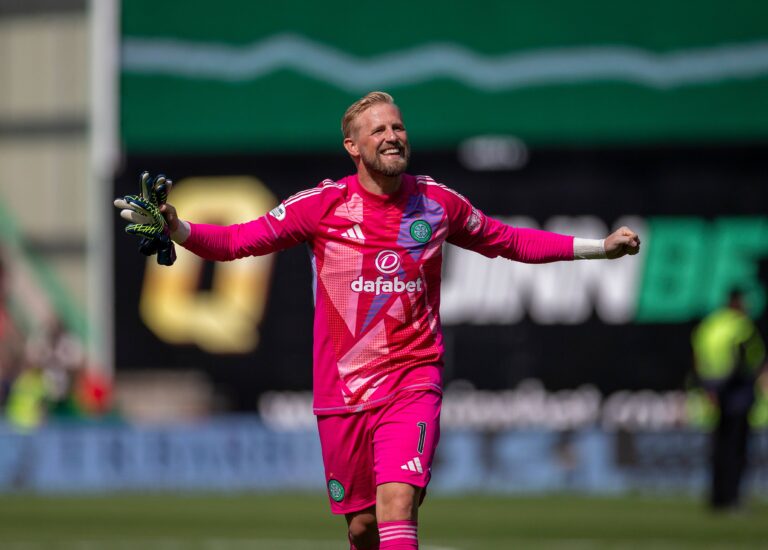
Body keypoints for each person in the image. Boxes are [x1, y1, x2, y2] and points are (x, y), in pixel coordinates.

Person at [115, 91, 641, 549]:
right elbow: (236, 241)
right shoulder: (324, 205)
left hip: (413, 379)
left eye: (398, 127)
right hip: (341, 394)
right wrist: (178, 227)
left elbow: (510, 240)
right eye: (379, 130)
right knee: (363, 528)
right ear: (353, 147)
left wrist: (598, 249)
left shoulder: (436, 203)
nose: (392, 136)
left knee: (397, 504)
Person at [692, 289, 766, 512]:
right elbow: (746, 361)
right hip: (737, 396)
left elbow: (698, 358)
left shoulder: (710, 325)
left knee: (719, 449)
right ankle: (732, 499)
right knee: (736, 451)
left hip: (713, 396)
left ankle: (717, 498)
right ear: (737, 303)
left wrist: (709, 388)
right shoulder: (741, 326)